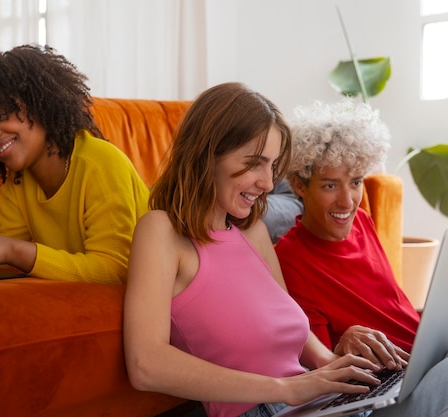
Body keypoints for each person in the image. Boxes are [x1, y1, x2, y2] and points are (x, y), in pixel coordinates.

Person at [123, 83, 384, 417]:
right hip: (266, 408)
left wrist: (333, 364)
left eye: (272, 166)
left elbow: (294, 330)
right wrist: (285, 389)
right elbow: (145, 364)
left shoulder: (254, 232)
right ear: (208, 153)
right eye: (255, 163)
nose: (268, 184)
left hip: (317, 403)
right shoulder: (162, 231)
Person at [275, 99, 448, 416]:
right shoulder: (289, 260)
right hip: (394, 388)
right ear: (299, 185)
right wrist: (343, 345)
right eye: (329, 185)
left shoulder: (362, 223)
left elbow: (385, 308)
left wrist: (439, 313)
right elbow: (319, 375)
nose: (347, 200)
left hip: (426, 354)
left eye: (355, 183)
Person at [0, 44, 149, 284]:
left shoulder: (100, 163)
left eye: (1, 116)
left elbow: (114, 270)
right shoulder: (19, 180)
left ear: (41, 105)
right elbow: (1, 255)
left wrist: (14, 250)